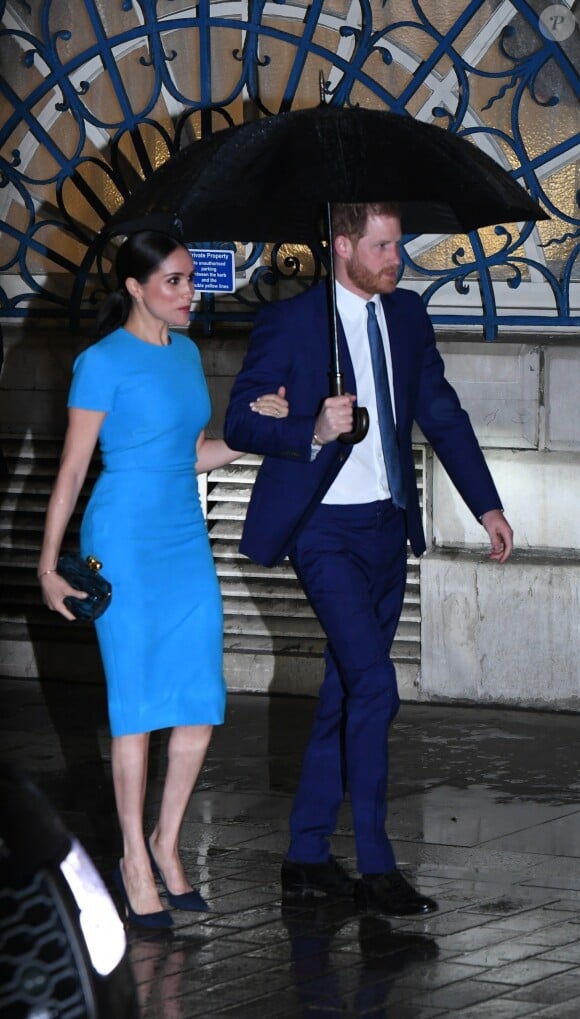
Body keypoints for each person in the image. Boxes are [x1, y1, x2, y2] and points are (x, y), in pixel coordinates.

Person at [224, 202, 513, 917]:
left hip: (387, 529)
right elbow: (237, 421)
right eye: (383, 246)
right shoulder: (292, 322)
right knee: (376, 685)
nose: (397, 258)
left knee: (345, 693)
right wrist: (310, 425)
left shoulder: (407, 316)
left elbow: (442, 412)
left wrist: (487, 505)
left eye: (399, 244)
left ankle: (306, 854)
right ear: (343, 244)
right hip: (322, 532)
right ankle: (379, 865)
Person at [38, 229, 288, 930]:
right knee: (138, 704)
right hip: (121, 540)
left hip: (183, 538)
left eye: (189, 280)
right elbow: (72, 470)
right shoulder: (101, 362)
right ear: (136, 287)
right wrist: (46, 563)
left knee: (200, 699)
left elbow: (192, 453)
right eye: (174, 281)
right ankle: (133, 860)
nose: (190, 293)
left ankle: (167, 841)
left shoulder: (184, 355)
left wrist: (254, 432)